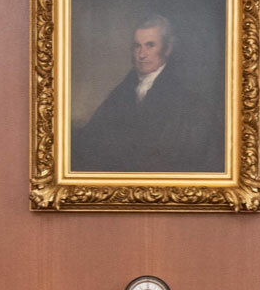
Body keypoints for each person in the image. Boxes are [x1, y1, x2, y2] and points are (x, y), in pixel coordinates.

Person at [71, 14, 223, 174]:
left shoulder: (188, 103)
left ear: (168, 48)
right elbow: (93, 137)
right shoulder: (122, 93)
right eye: (138, 46)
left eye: (150, 45)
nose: (142, 54)